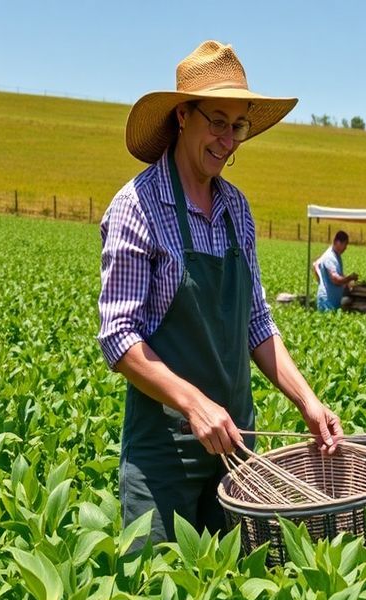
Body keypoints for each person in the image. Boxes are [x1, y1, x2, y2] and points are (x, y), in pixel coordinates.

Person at [97, 41, 343, 545]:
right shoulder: (137, 207)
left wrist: (308, 402)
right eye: (217, 121)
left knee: (234, 596)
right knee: (157, 593)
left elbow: (256, 322)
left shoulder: (236, 209)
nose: (228, 139)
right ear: (182, 115)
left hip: (237, 449)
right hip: (166, 455)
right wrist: (194, 404)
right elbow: (118, 338)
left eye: (239, 126)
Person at [313, 230, 358, 311]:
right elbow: (335, 279)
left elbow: (316, 264)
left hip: (333, 299)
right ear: (338, 242)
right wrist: (349, 278)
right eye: (345, 244)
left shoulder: (336, 255)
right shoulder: (330, 257)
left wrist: (348, 283)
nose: (345, 248)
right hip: (327, 300)